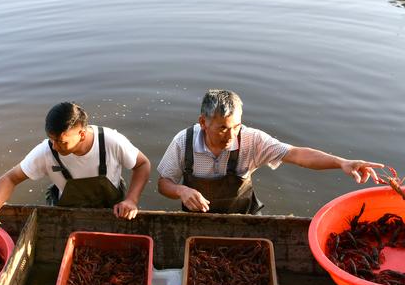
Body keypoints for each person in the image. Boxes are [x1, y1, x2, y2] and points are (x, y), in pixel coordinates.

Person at [157, 89, 383, 214]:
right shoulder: (183, 142)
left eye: (236, 127)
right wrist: (181, 191)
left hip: (243, 217)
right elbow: (163, 183)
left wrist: (341, 162)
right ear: (203, 123)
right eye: (222, 128)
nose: (231, 135)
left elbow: (296, 154)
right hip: (197, 218)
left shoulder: (252, 139)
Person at [0, 102, 150, 232]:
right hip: (69, 211)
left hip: (113, 209)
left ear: (82, 134)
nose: (55, 147)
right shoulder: (46, 151)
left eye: (61, 142)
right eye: (51, 139)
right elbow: (10, 178)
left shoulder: (110, 141)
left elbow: (142, 164)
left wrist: (131, 200)